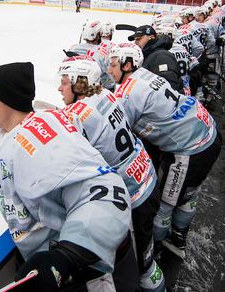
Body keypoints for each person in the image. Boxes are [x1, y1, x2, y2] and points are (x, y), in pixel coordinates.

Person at [0, 62, 135, 291]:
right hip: (37, 259)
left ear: (8, 100)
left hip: (76, 271)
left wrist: (68, 255)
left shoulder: (44, 140)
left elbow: (106, 192)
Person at [57, 55, 166, 291]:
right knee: (147, 250)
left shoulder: (74, 115)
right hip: (147, 176)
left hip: (134, 199)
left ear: (79, 83)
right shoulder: (106, 93)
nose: (59, 87)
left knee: (142, 267)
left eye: (64, 81)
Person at [108, 43, 222, 261]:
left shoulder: (126, 93)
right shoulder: (144, 75)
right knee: (188, 193)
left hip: (191, 148)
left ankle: (157, 250)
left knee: (164, 205)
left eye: (113, 65)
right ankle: (178, 236)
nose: (109, 70)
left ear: (127, 64)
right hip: (207, 129)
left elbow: (119, 133)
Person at [129, 25, 183, 93]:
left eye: (138, 39)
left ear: (151, 37)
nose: (135, 43)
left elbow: (169, 89)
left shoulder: (161, 56)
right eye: (135, 40)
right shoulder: (150, 55)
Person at [68, 21, 115, 90]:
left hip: (74, 87)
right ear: (98, 35)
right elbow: (110, 74)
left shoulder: (73, 48)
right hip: (94, 89)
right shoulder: (103, 52)